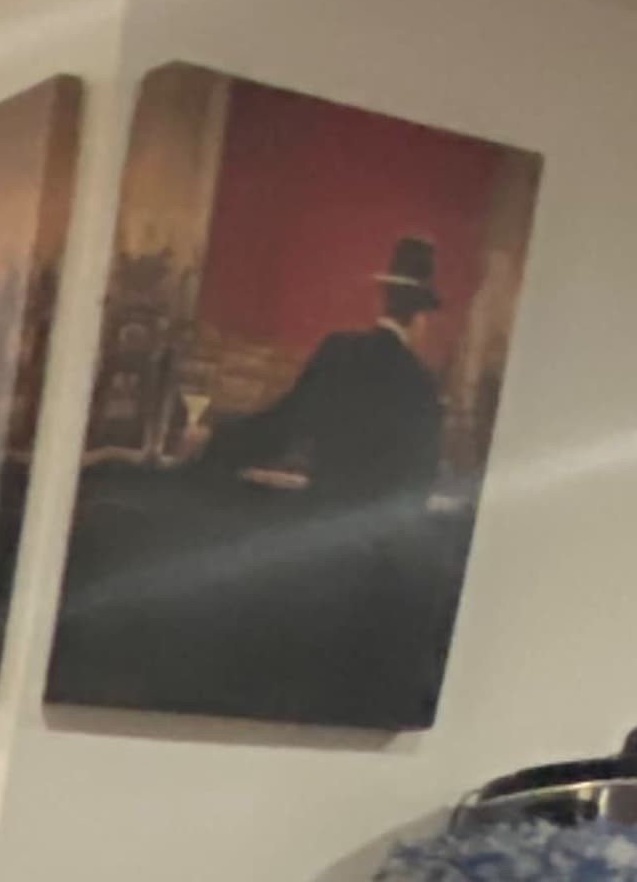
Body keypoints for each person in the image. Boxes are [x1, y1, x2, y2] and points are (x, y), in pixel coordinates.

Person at [181, 230, 455, 726]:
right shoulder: (421, 387)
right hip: (383, 570)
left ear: (384, 300)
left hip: (319, 543)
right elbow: (420, 481)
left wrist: (212, 442)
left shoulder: (340, 353)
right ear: (421, 318)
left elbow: (280, 427)